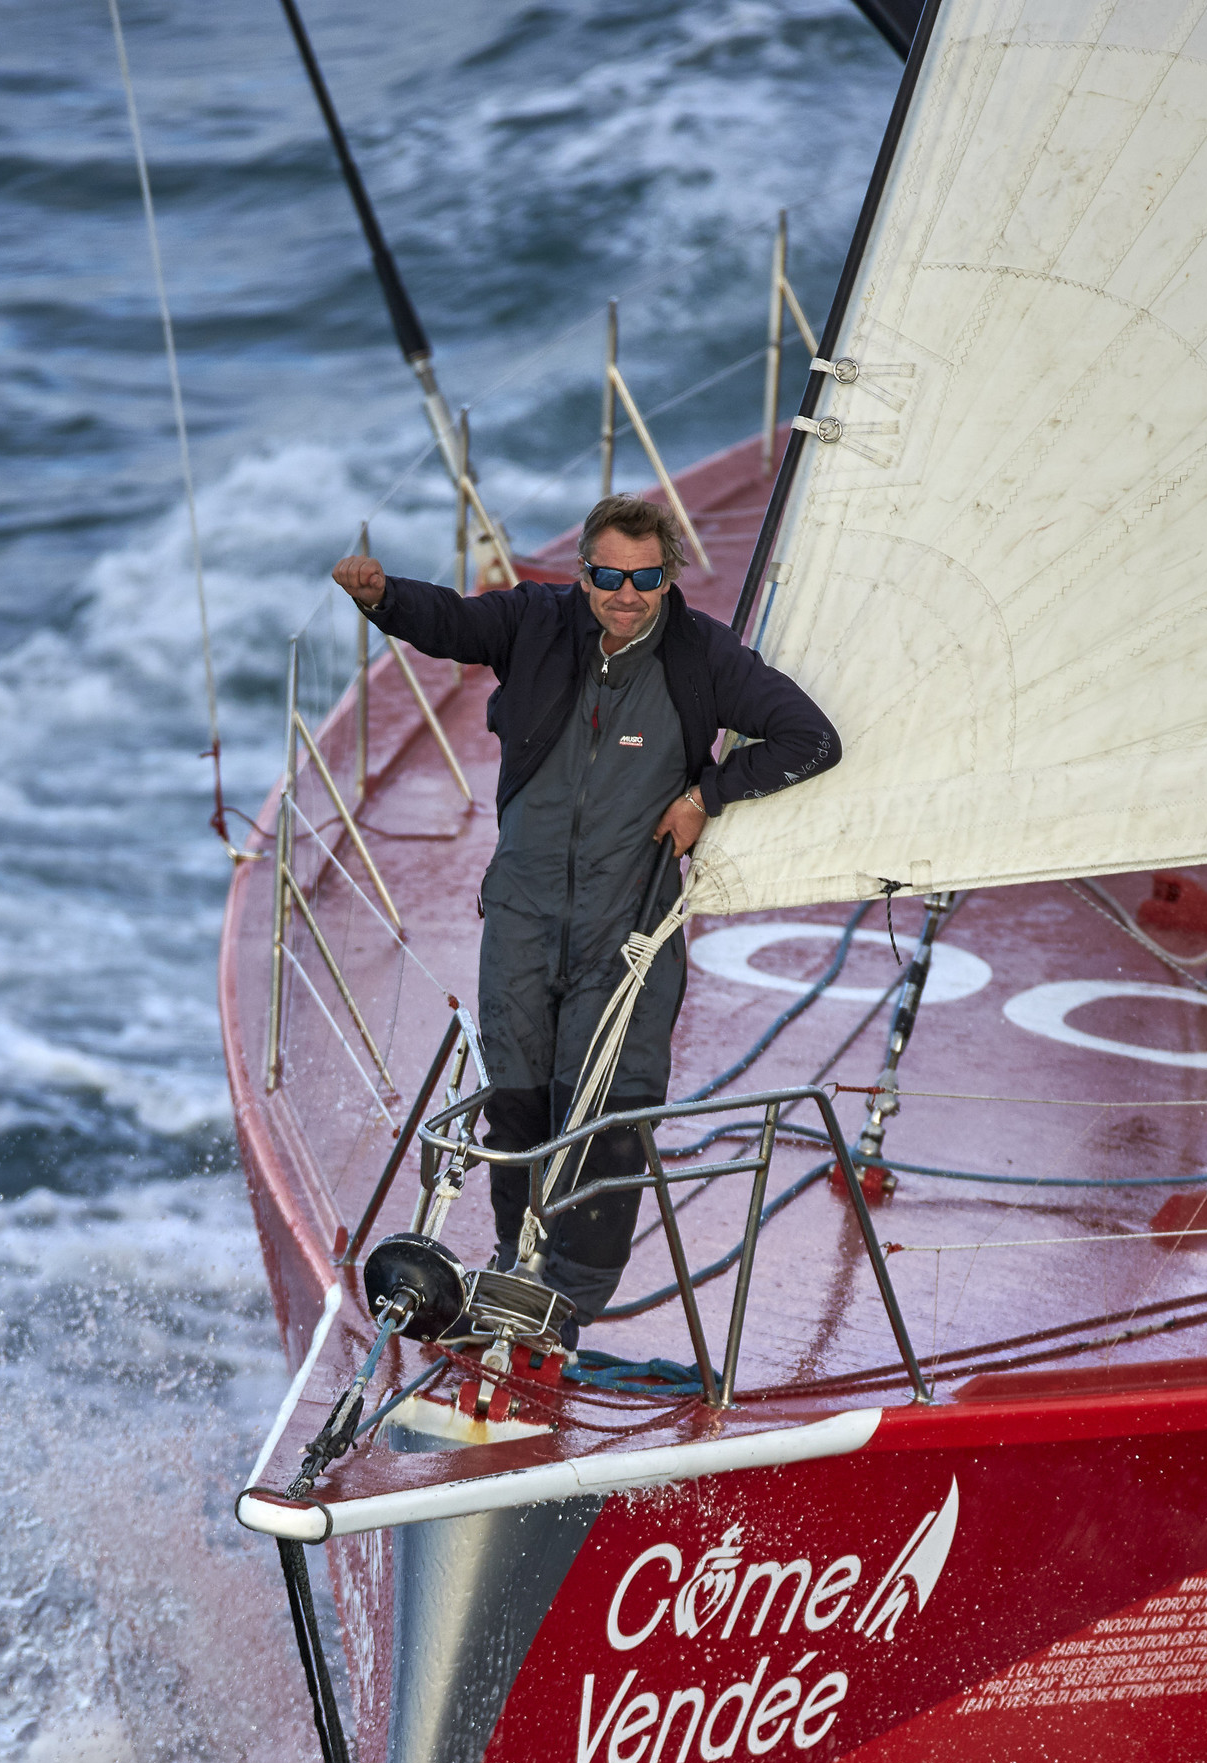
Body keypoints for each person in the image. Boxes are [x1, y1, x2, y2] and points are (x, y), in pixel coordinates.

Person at [331, 494, 840, 1325]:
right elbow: (453, 623)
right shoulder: (536, 622)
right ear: (584, 574)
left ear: (669, 576)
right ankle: (512, 1269)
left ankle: (565, 1307)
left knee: (605, 1110)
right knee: (517, 1101)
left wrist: (707, 795)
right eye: (608, 577)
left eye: (645, 578)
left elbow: (811, 740)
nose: (626, 595)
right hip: (522, 911)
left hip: (625, 924)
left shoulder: (703, 656)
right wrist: (383, 597)